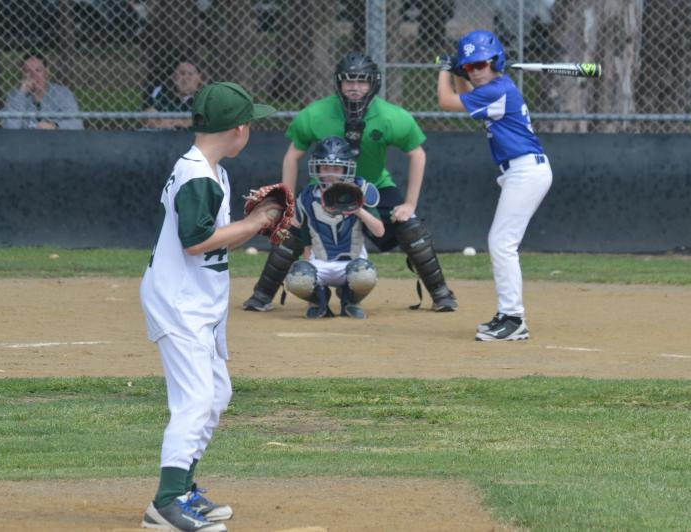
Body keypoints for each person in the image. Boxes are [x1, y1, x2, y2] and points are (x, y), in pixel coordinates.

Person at [139, 81, 277, 531]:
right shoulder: (199, 176)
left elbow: (210, 241)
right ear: (238, 130)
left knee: (216, 395)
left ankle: (183, 488)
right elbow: (196, 242)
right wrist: (254, 222)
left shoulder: (211, 171)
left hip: (197, 299)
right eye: (250, 122)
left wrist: (246, 228)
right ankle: (166, 504)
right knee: (196, 399)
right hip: (179, 301)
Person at [243, 51, 458, 313]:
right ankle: (262, 295)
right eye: (348, 81)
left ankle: (441, 293)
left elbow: (417, 153)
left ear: (374, 83)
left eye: (362, 81)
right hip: (324, 187)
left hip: (374, 186)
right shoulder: (316, 113)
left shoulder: (391, 116)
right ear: (338, 83)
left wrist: (409, 204)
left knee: (411, 227)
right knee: (291, 227)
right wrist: (287, 204)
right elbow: (292, 156)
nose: (355, 87)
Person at [436, 29, 553, 341]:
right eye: (470, 66)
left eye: (480, 65)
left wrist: (445, 70)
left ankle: (514, 320)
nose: (475, 71)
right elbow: (463, 97)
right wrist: (460, 71)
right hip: (521, 171)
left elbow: (447, 101)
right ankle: (507, 314)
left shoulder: (497, 90)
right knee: (501, 243)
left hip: (526, 171)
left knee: (502, 244)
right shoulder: (495, 88)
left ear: (496, 61)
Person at [284, 136, 385, 319]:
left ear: (347, 169)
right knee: (297, 279)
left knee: (365, 276)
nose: (331, 174)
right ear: (317, 168)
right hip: (320, 262)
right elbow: (307, 240)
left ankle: (350, 300)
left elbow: (379, 231)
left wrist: (358, 210)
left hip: (351, 263)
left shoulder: (360, 191)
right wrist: (308, 280)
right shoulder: (307, 197)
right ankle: (319, 300)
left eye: (336, 168)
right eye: (325, 168)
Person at [2, 53, 83, 130]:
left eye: (38, 70)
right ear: (22, 75)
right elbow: (9, 127)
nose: (33, 75)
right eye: (27, 71)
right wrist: (21, 94)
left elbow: (77, 123)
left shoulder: (62, 93)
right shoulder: (14, 95)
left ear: (46, 73)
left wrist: (55, 126)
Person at [144, 60, 204, 130]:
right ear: (174, 77)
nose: (186, 77)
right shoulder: (161, 92)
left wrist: (184, 123)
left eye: (190, 74)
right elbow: (148, 114)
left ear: (199, 78)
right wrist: (161, 124)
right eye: (182, 73)